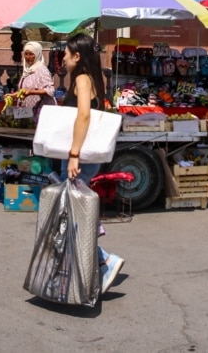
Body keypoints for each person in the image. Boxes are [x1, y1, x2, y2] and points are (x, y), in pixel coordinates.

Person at [62, 32, 125, 295]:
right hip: (86, 156)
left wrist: (74, 154)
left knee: (72, 215)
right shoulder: (93, 78)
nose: (63, 58)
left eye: (66, 54)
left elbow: (84, 116)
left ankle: (103, 260)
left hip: (83, 157)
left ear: (77, 56)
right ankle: (91, 265)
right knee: (72, 213)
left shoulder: (82, 79)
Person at [16, 41, 55, 118]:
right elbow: (24, 90)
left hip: (40, 113)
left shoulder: (42, 70)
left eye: (31, 54)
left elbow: (50, 90)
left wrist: (32, 92)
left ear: (37, 55)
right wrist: (13, 95)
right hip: (26, 112)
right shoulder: (26, 71)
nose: (28, 57)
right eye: (26, 54)